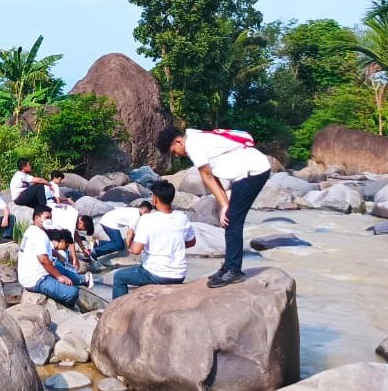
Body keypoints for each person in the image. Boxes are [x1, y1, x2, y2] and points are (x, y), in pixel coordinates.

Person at [158, 126, 271, 288]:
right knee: (230, 218)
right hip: (249, 171)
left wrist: (224, 206)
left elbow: (207, 176)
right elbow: (213, 176)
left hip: (253, 172)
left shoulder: (194, 146)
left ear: (178, 142)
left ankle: (234, 270)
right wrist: (224, 204)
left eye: (173, 151)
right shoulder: (195, 138)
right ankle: (228, 266)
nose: (175, 155)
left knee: (232, 221)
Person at [111, 181, 197, 299]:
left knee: (119, 277)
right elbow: (192, 242)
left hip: (155, 274)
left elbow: (136, 250)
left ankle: (117, 309)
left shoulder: (147, 219)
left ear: (155, 199)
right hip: (179, 274)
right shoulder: (182, 217)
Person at [17, 205, 92, 307]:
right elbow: (43, 260)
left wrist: (58, 255)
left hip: (32, 274)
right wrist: (59, 277)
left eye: (50, 218)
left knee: (59, 268)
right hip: (37, 279)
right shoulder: (39, 235)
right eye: (46, 217)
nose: (49, 220)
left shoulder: (31, 230)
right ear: (37, 218)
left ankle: (83, 280)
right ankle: (67, 306)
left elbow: (44, 251)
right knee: (73, 293)